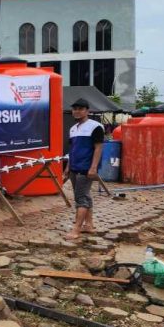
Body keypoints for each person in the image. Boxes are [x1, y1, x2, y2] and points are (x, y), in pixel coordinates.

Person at [63, 98, 104, 240]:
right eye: (75, 109)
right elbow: (72, 149)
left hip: (86, 168)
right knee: (84, 195)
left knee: (81, 198)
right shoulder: (73, 129)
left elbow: (98, 148)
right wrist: (67, 168)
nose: (77, 111)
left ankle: (76, 229)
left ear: (87, 111)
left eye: (80, 109)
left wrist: (93, 168)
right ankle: (89, 225)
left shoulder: (95, 126)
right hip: (74, 167)